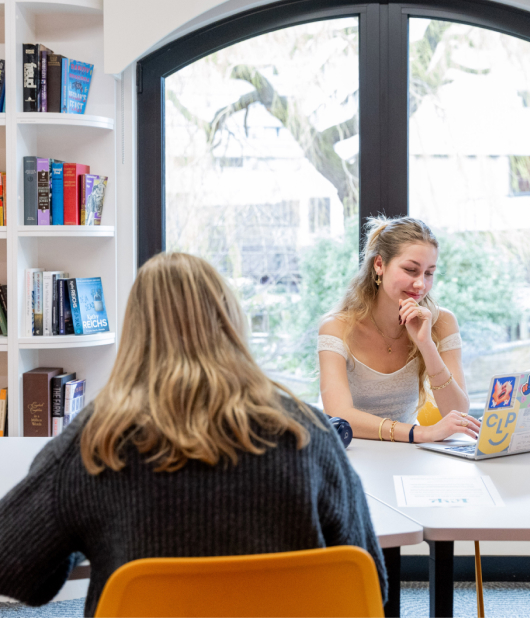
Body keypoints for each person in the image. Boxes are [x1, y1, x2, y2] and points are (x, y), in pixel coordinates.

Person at [0, 253, 386, 616]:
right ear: (232, 323)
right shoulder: (306, 432)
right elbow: (369, 581)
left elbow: (15, 570)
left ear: (137, 334)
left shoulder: (94, 442)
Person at [318, 216, 481, 443]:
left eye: (429, 273)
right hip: (353, 453)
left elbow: (456, 411)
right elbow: (339, 414)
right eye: (410, 270)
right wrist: (419, 433)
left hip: (406, 453)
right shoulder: (337, 327)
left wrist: (426, 345)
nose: (420, 285)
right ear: (379, 265)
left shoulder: (442, 322)